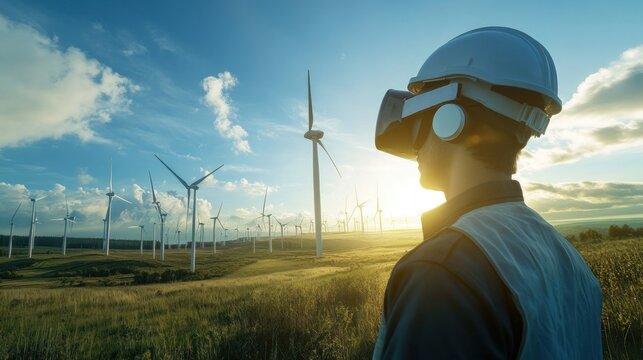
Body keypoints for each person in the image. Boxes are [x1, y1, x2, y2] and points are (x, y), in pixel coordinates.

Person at [372, 27, 603, 359]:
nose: (413, 138)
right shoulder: (570, 260)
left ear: (447, 118)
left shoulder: (439, 273)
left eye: (418, 116)